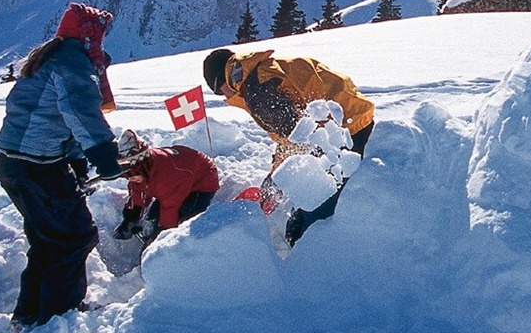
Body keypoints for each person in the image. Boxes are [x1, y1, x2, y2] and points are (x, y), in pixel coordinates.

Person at [0, 3, 121, 330]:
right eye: (99, 33)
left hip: (15, 164)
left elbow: (54, 118)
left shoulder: (50, 58)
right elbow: (80, 113)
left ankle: (30, 314)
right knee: (74, 237)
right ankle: (55, 320)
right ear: (89, 34)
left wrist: (77, 162)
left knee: (49, 240)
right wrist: (104, 154)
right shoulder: (70, 62)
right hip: (37, 167)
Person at [202, 46, 374, 246]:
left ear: (222, 81)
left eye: (217, 91)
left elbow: (302, 137)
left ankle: (309, 256)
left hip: (343, 133)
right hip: (354, 114)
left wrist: (278, 180)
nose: (222, 96)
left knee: (313, 212)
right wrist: (275, 172)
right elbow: (293, 133)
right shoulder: (263, 70)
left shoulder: (257, 91)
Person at [113, 129, 220, 244]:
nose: (130, 179)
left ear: (142, 168)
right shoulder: (142, 169)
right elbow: (139, 191)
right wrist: (132, 216)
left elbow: (170, 208)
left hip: (201, 181)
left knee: (185, 223)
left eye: (133, 176)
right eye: (128, 177)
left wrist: (164, 239)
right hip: (175, 180)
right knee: (151, 221)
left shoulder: (166, 176)